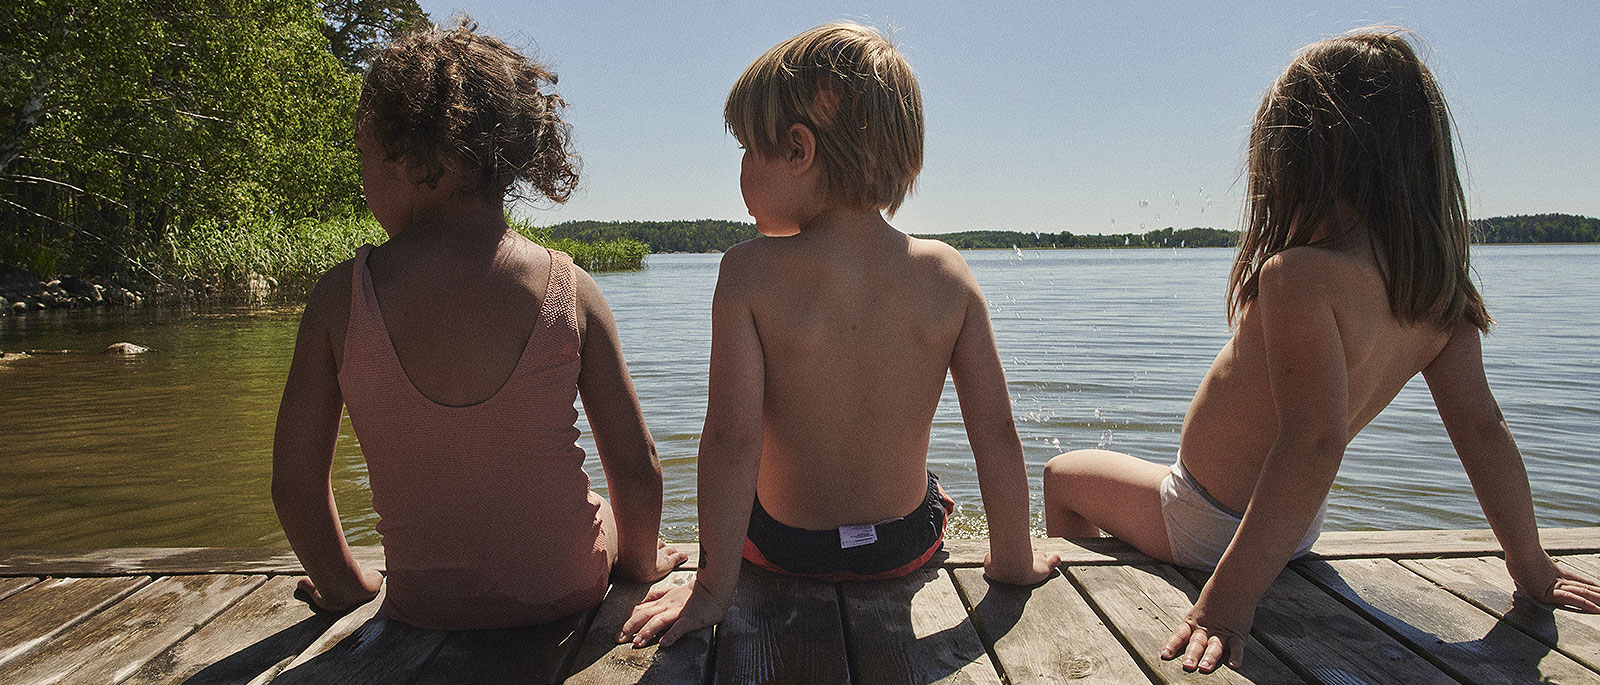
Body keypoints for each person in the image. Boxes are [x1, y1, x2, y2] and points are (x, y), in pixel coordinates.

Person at [1041, 27, 1600, 673]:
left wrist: (1227, 601)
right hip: (1294, 528)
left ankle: (1081, 605)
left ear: (1302, 163)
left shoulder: (1300, 275)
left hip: (1202, 518)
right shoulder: (1438, 295)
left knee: (1063, 475)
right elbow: (1483, 431)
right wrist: (1530, 564)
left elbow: (1313, 441)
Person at [617, 22, 1059, 648]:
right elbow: (995, 429)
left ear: (798, 151)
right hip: (903, 546)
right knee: (934, 494)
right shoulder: (948, 273)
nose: (740, 169)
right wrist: (1013, 559)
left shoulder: (746, 273)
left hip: (785, 550)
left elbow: (731, 439)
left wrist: (711, 589)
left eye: (747, 148)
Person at [271, 20, 684, 630]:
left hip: (424, 604)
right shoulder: (571, 288)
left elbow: (296, 484)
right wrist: (639, 565)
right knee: (597, 502)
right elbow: (638, 467)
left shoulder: (340, 298)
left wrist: (345, 586)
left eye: (364, 158)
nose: (363, 180)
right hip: (567, 589)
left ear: (409, 159)